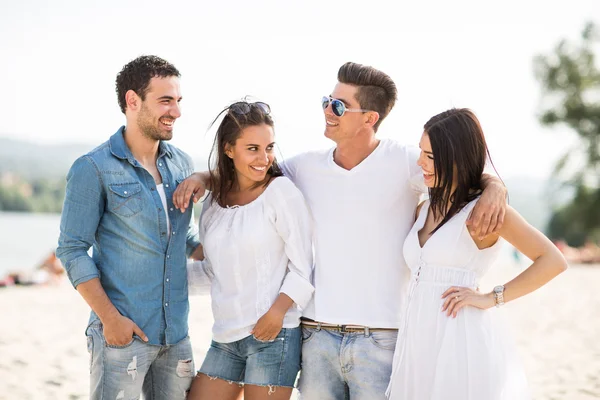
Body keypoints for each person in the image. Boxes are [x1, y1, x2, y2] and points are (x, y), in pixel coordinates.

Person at [173, 62, 508, 399]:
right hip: (316, 336)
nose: (327, 112)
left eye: (338, 106)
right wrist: (204, 178)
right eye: (326, 102)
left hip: (381, 339)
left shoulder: (406, 163)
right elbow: (252, 171)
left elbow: (461, 173)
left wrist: (495, 187)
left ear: (369, 118)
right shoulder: (304, 168)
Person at [386, 108, 568, 400]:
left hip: (460, 340)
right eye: (421, 152)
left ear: (456, 159)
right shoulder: (424, 208)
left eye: (430, 156)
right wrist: (493, 182)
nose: (420, 162)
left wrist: (491, 298)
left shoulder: (487, 213)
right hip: (417, 341)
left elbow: (553, 260)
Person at [56, 55, 203, 400]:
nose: (176, 112)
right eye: (165, 101)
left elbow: (185, 237)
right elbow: (72, 249)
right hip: (123, 336)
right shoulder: (93, 167)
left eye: (178, 101)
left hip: (176, 336)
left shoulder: (182, 163)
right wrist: (110, 319)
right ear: (132, 101)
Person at [186, 100, 314, 400]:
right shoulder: (214, 202)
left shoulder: (281, 193)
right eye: (253, 148)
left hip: (273, 334)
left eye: (269, 147)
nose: (264, 158)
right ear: (229, 150)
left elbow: (303, 267)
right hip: (226, 337)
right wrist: (159, 278)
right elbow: (212, 270)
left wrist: (276, 313)